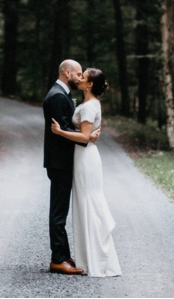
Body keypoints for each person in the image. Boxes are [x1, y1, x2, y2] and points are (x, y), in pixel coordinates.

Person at [51, 67, 121, 277]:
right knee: (84, 204)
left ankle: (98, 258)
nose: (79, 78)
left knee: (89, 203)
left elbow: (84, 136)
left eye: (83, 77)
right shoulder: (88, 103)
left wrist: (60, 131)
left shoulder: (90, 107)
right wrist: (89, 135)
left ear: (89, 84)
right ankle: (88, 257)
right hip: (82, 157)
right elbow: (88, 134)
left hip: (86, 158)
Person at [43, 59, 99, 275]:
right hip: (59, 162)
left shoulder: (62, 93)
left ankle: (63, 254)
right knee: (58, 211)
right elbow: (63, 130)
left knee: (61, 209)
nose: (79, 77)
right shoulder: (57, 95)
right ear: (67, 72)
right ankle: (58, 259)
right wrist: (87, 137)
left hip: (63, 161)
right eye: (77, 73)